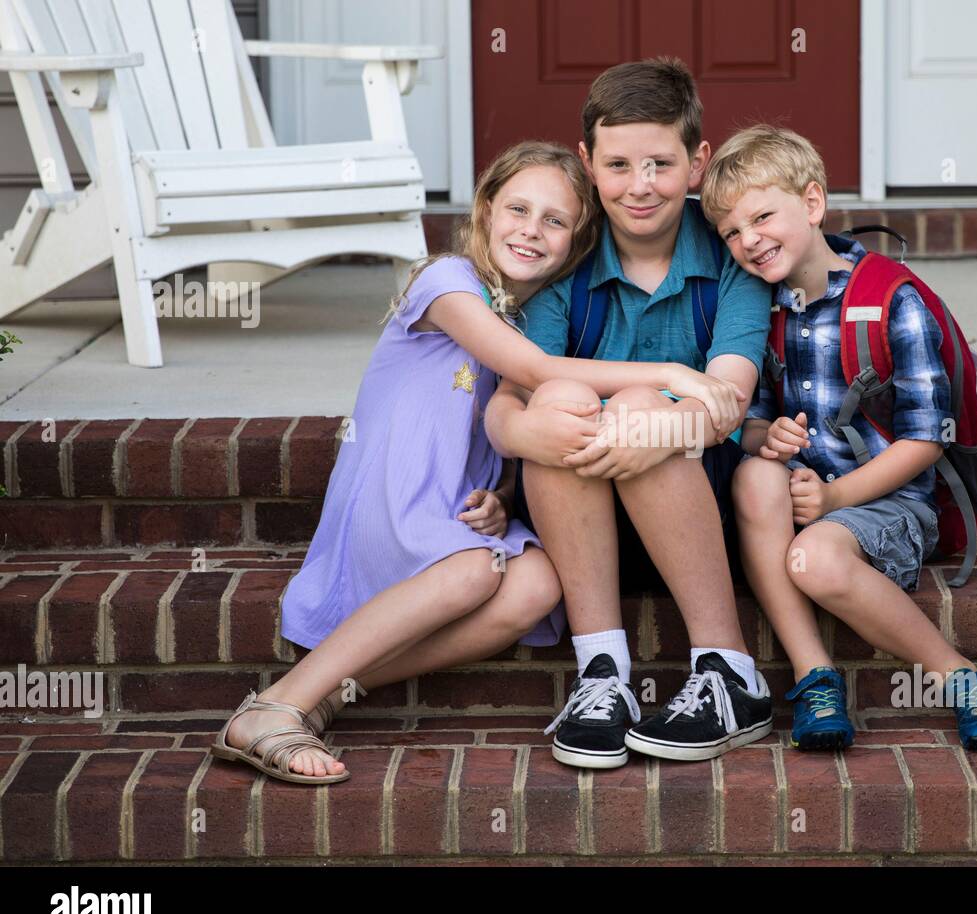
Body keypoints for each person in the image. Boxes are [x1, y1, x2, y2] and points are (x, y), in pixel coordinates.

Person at [211, 140, 746, 784]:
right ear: (486, 208)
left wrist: (503, 496)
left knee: (538, 584)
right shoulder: (446, 283)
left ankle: (318, 693)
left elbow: (505, 424)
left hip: (454, 511)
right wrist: (672, 373)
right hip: (394, 507)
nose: (531, 230)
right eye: (518, 209)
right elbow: (534, 371)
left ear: (575, 242)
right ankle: (280, 703)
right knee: (472, 572)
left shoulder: (522, 314)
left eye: (555, 221)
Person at [485, 58, 775, 769]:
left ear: (697, 162)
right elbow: (507, 403)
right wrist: (528, 430)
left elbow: (728, 394)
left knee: (646, 405)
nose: (639, 185)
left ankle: (729, 670)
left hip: (696, 511)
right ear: (588, 163)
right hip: (581, 520)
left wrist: (648, 424)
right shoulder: (566, 267)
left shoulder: (731, 259)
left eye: (660, 163)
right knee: (557, 400)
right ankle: (602, 673)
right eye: (618, 165)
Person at [702, 125, 977, 751]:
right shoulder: (763, 308)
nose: (749, 240)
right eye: (732, 233)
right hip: (805, 497)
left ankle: (963, 679)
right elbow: (750, 417)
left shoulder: (890, 301)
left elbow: (925, 440)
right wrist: (768, 435)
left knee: (814, 559)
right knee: (751, 473)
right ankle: (814, 676)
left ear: (813, 203)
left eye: (763, 216)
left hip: (891, 502)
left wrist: (833, 498)